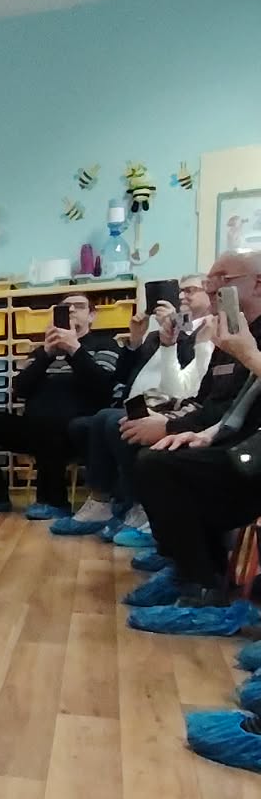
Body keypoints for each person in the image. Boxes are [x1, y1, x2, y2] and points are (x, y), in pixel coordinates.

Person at [123, 251, 261, 634]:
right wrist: (191, 431)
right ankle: (191, 568)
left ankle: (201, 587)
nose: (212, 288)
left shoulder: (237, 339)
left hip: (250, 454)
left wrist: (249, 355)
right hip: (233, 444)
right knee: (154, 452)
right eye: (210, 280)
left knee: (160, 465)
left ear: (257, 284)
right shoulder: (229, 334)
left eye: (222, 279)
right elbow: (213, 403)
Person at [50, 277, 213, 541]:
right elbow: (123, 374)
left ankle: (134, 506)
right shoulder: (154, 335)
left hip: (168, 406)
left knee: (111, 421)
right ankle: (111, 503)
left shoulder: (206, 330)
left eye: (191, 290)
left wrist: (174, 329)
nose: (183, 296)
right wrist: (135, 341)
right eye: (181, 290)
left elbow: (189, 376)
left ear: (210, 295)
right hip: (136, 401)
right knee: (88, 423)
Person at [0, 292, 119, 518]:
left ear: (92, 316)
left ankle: (54, 501)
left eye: (79, 306)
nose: (72, 310)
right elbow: (20, 390)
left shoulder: (105, 344)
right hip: (34, 428)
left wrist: (74, 350)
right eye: (66, 307)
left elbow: (102, 387)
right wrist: (46, 355)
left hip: (76, 430)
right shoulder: (42, 350)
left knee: (52, 420)